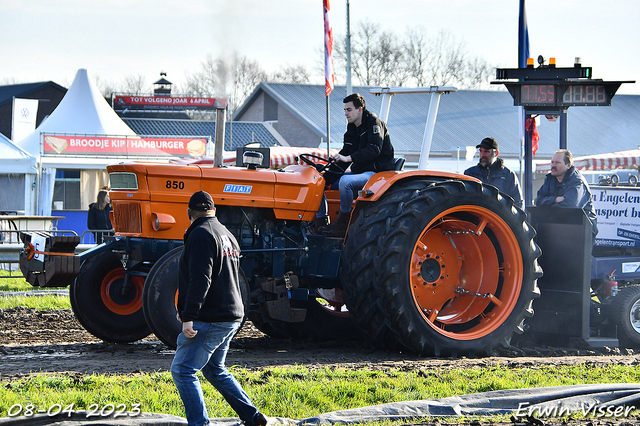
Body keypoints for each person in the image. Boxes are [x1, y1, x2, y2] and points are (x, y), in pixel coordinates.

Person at [171, 190, 268, 426]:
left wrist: (188, 315)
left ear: (188, 214)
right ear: (214, 210)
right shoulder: (226, 234)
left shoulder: (200, 234)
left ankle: (199, 424)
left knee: (183, 370)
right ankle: (253, 416)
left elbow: (200, 278)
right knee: (215, 369)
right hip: (231, 313)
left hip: (212, 316)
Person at [320, 93, 395, 237]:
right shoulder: (352, 127)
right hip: (361, 172)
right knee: (319, 182)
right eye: (344, 110)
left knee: (345, 182)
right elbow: (346, 151)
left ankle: (343, 224)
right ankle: (320, 222)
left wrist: (349, 158)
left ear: (359, 109)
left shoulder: (374, 123)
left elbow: (374, 149)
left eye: (349, 110)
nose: (346, 113)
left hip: (377, 173)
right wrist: (327, 175)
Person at [536, 149, 598, 239]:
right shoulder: (549, 179)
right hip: (559, 228)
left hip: (582, 231)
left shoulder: (577, 181)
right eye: (552, 162)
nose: (553, 165)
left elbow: (570, 206)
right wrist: (555, 199)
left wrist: (548, 207)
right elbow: (538, 201)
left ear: (568, 165)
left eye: (557, 163)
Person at [464, 137, 523, 208]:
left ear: (496, 153)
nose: (482, 154)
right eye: (480, 151)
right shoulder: (470, 174)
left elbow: (518, 203)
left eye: (486, 151)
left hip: (499, 218)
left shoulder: (508, 175)